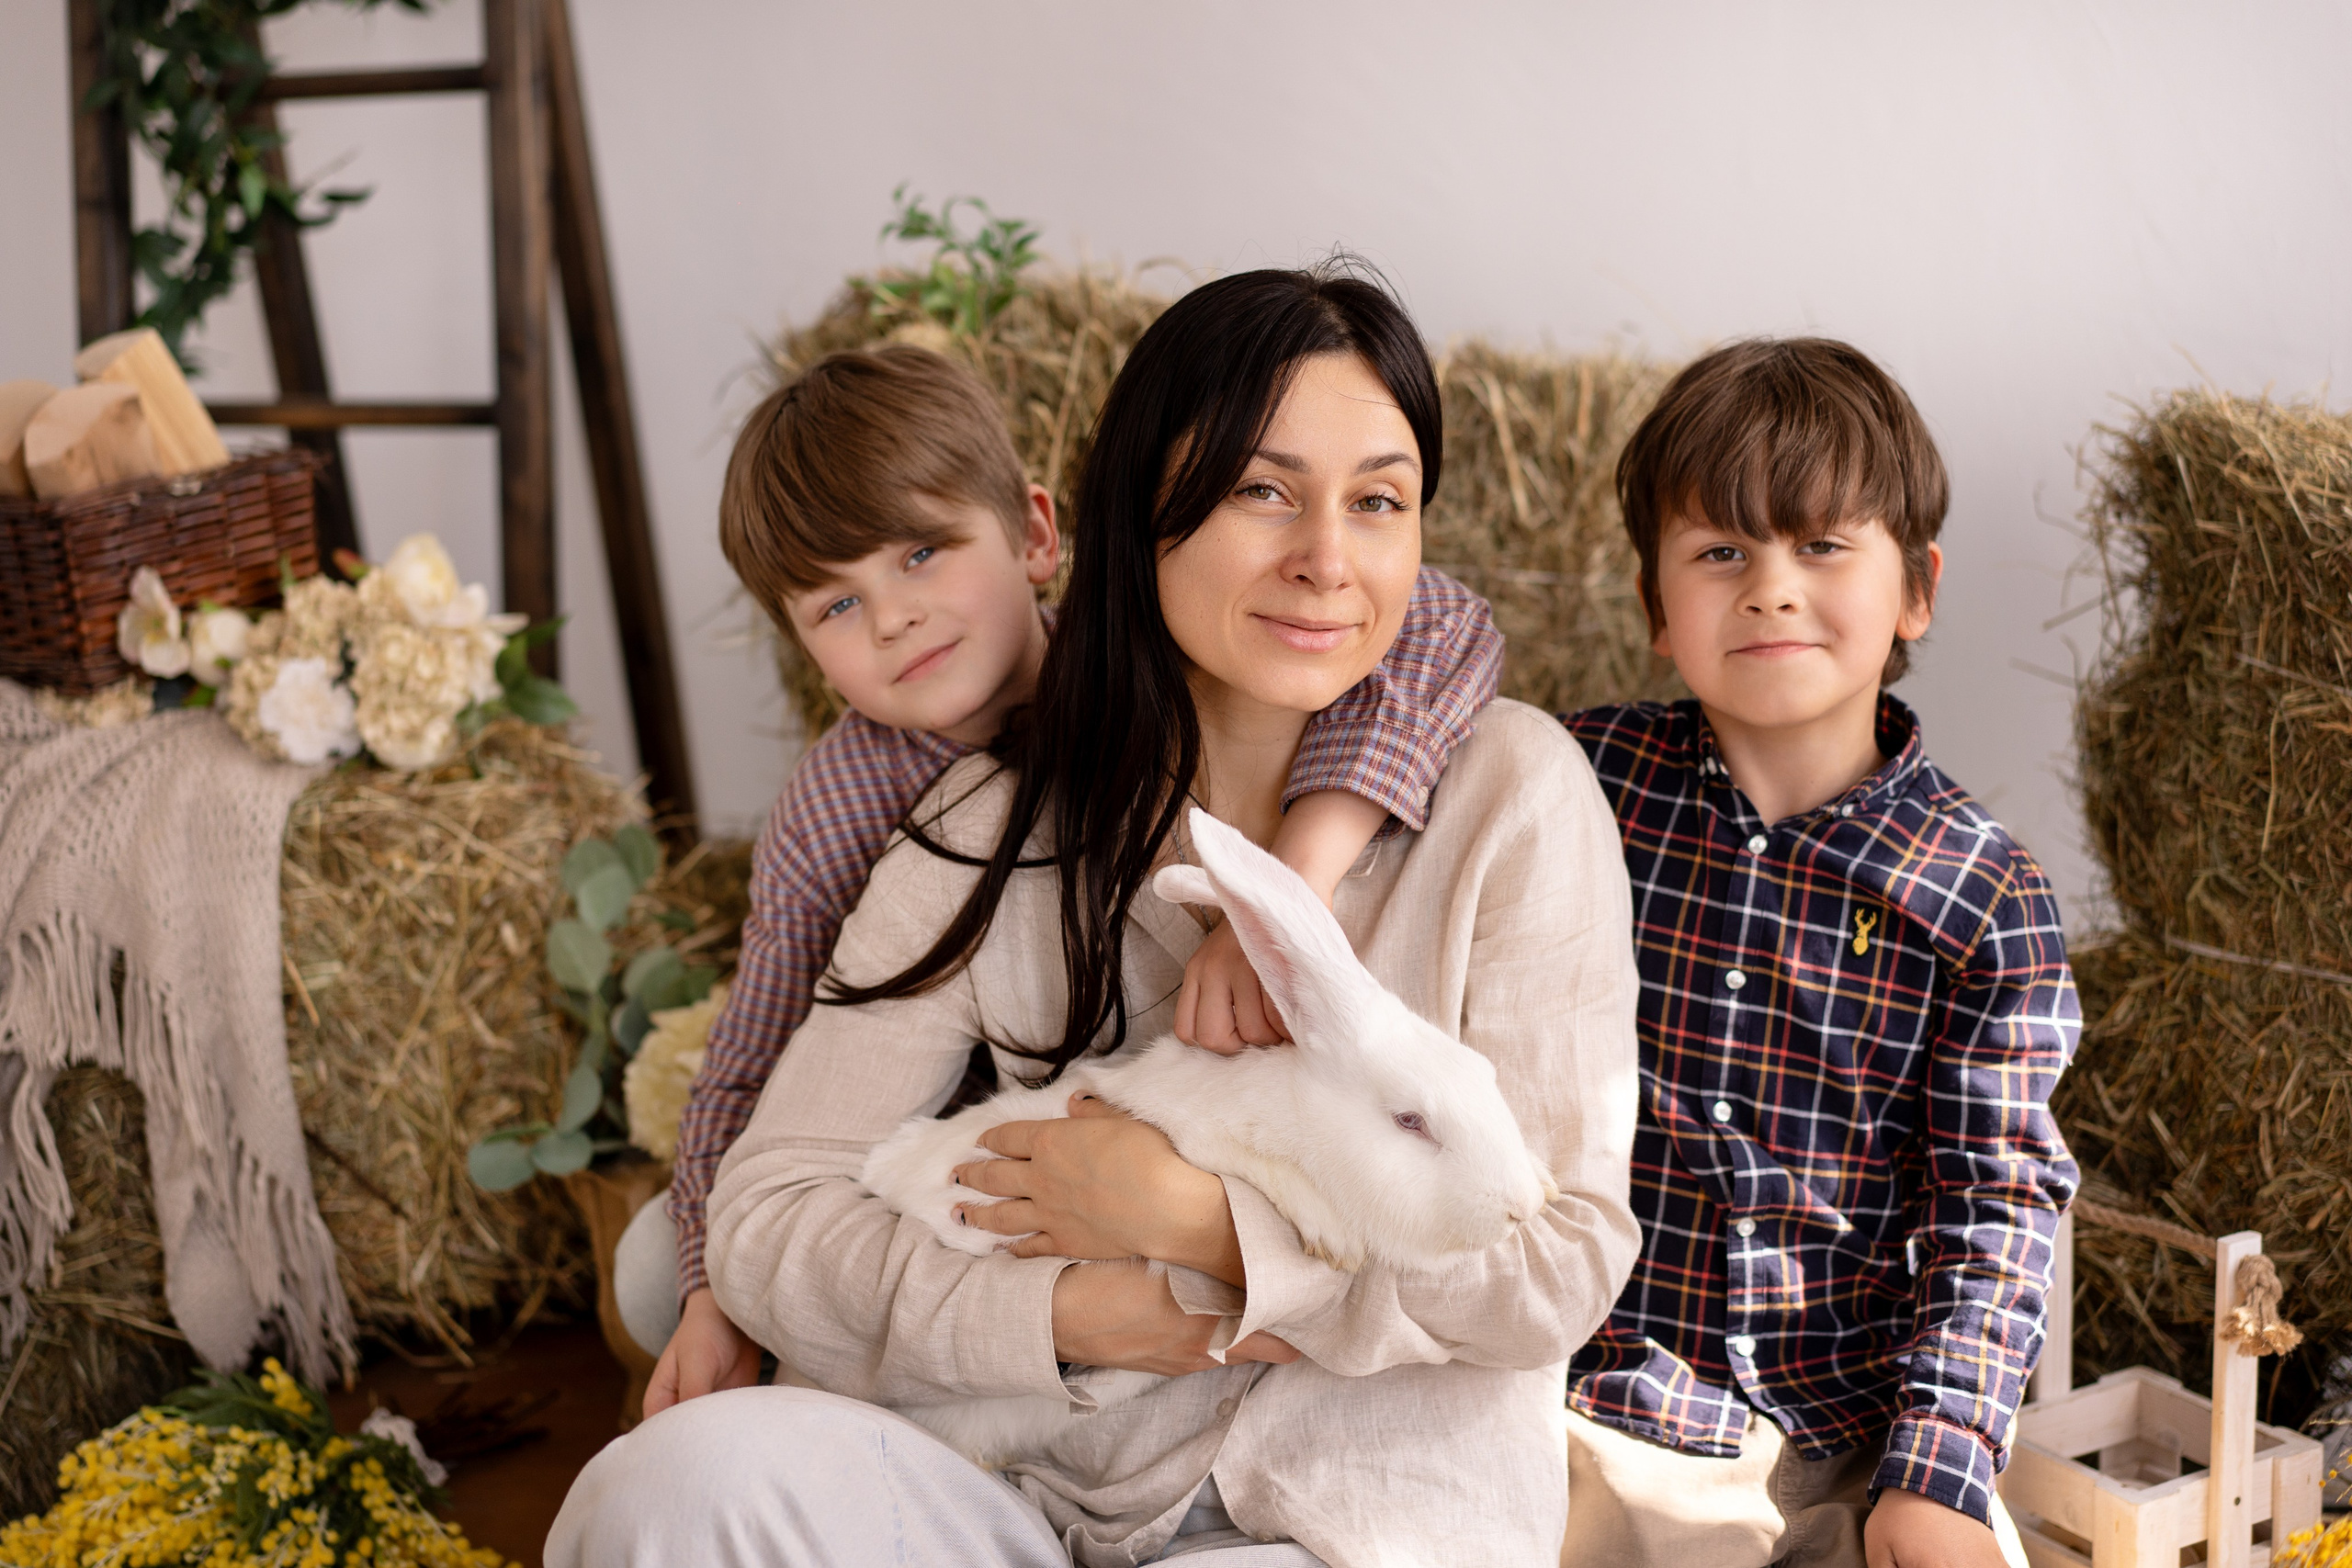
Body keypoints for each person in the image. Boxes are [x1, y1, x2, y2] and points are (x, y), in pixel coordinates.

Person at [549, 265, 1641, 1568]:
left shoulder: (1514, 792)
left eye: (1380, 501)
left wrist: (1205, 1234)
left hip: (1356, 1519)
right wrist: (1068, 1310)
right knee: (671, 1486)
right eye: (1262, 490)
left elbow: (1560, 1261)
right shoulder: (978, 815)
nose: (1326, 559)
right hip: (1021, 1488)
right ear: (1139, 516)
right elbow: (774, 1208)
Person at [610, 344, 1507, 1406]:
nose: (892, 617)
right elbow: (752, 1056)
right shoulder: (835, 804)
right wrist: (719, 1293)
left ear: (1038, 536)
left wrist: (1298, 871)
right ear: (799, 646)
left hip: (1134, 1104)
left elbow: (1444, 619)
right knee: (660, 1268)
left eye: (920, 555)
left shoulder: (1139, 655)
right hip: (943, 1152)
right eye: (835, 609)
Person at [1557, 338, 2078, 1568]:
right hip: (1602, 1405)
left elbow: (1993, 1203)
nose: (1770, 587)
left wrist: (1942, 1463)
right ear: (1653, 603)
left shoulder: (1984, 891)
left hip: (1847, 1427)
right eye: (1720, 550)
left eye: (1823, 544)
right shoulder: (1574, 781)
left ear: (1918, 588)